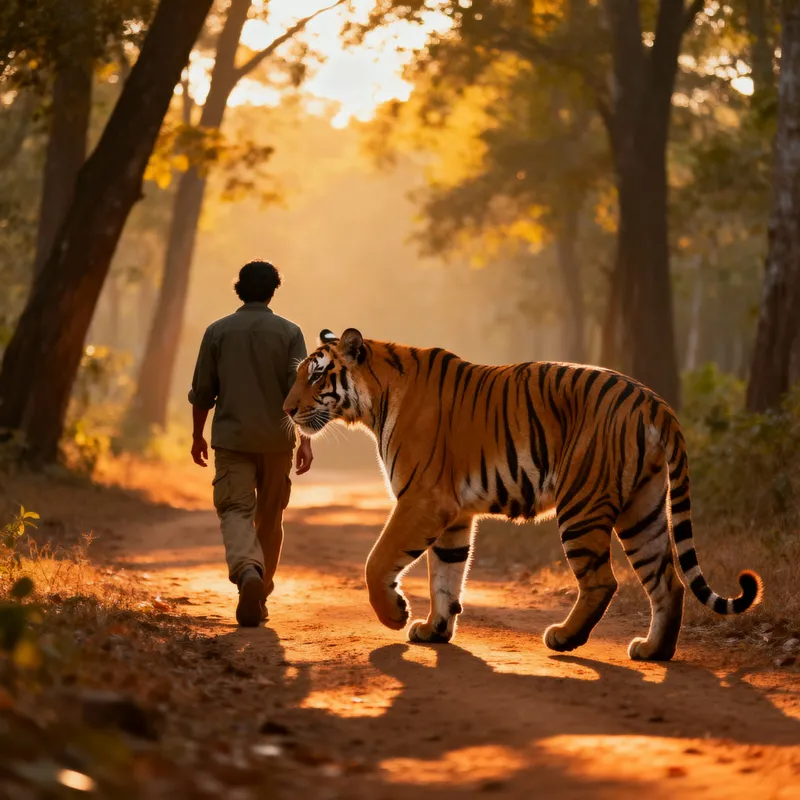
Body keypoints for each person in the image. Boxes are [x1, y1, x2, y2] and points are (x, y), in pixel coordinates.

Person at [188, 259, 313, 627]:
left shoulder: (218, 331)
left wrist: (197, 435)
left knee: (235, 511)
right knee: (270, 518)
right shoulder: (290, 332)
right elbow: (301, 393)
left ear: (239, 288)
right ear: (273, 290)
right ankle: (261, 590)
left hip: (232, 441)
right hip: (277, 442)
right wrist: (305, 441)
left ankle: (248, 574)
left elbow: (203, 393)